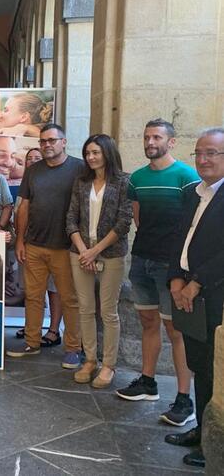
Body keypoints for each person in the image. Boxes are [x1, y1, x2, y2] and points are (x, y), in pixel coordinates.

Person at [115, 120, 199, 427]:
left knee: (176, 331)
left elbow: (192, 223)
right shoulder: (137, 178)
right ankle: (147, 383)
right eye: (147, 137)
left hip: (172, 265)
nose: (150, 142)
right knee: (148, 321)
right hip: (142, 260)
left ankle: (184, 399)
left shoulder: (187, 177)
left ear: (171, 142)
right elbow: (139, 219)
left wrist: (181, 269)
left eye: (157, 137)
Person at [163, 127, 224, 469]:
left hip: (214, 295)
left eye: (211, 153)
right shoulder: (192, 193)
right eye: (199, 153)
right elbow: (179, 238)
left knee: (215, 369)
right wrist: (175, 277)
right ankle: (202, 430)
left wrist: (196, 283)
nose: (203, 159)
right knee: (199, 365)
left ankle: (214, 443)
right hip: (186, 292)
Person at [7, 123, 84, 369]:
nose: (47, 145)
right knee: (33, 297)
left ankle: (73, 349)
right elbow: (24, 206)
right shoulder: (33, 171)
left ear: (64, 142)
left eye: (52, 140)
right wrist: (20, 240)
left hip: (65, 247)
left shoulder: (79, 168)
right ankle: (32, 342)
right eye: (43, 141)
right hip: (34, 246)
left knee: (69, 299)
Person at [65, 134, 132, 388]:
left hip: (110, 254)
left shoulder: (124, 181)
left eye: (96, 152)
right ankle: (90, 360)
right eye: (87, 153)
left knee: (108, 311)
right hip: (80, 252)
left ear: (107, 153)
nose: (91, 157)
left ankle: (108, 365)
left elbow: (124, 222)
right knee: (85, 308)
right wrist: (84, 251)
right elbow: (71, 218)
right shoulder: (81, 181)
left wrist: (95, 251)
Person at [11, 147, 62, 348]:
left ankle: (54, 330)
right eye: (29, 158)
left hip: (52, 246)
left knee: (53, 290)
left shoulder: (51, 183)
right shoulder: (22, 185)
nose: (32, 161)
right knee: (32, 292)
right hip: (28, 245)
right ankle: (32, 328)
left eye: (37, 158)